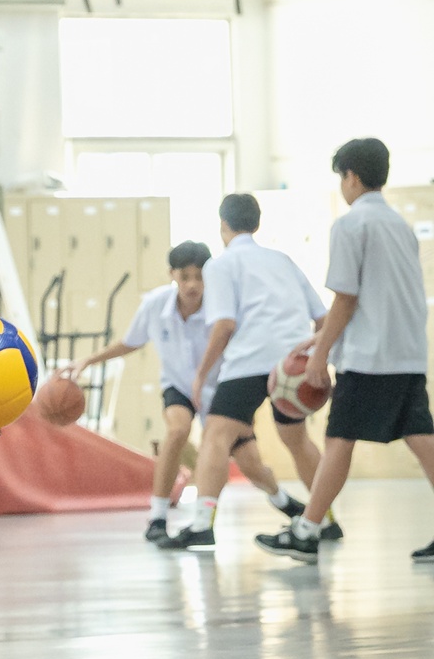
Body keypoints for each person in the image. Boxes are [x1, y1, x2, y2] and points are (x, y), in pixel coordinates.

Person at [257, 138, 434, 564]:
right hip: (406, 353)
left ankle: (306, 532)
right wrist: (322, 341)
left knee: (339, 439)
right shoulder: (400, 225)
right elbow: (378, 297)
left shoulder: (350, 225)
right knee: (422, 439)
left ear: (350, 176)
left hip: (370, 358)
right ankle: (309, 528)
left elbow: (346, 298)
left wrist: (321, 355)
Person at [70, 240, 305, 542]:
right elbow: (130, 342)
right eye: (185, 277)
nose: (193, 284)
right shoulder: (155, 305)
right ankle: (158, 517)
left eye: (199, 277)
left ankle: (281, 499)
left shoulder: (221, 309)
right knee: (177, 430)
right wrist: (88, 361)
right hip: (179, 386)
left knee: (251, 464)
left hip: (219, 390)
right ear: (172, 274)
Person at [160, 192, 343, 551]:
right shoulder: (283, 260)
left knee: (216, 437)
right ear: (257, 223)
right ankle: (325, 520)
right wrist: (318, 358)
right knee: (297, 441)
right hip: (293, 364)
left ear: (223, 225)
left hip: (249, 361)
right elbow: (323, 318)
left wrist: (201, 374)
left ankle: (202, 526)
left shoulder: (221, 265)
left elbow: (225, 326)